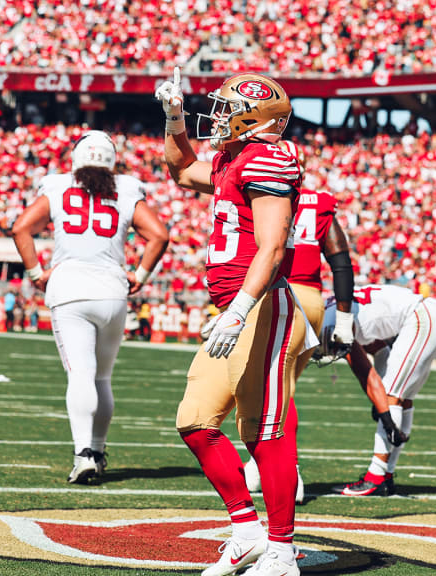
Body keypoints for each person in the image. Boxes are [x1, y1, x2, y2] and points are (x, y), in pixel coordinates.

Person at [157, 68, 311, 576]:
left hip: (261, 306)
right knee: (195, 421)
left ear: (255, 116)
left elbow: (272, 244)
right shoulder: (234, 157)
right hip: (232, 309)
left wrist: (242, 308)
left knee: (264, 431)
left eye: (227, 109)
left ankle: (283, 553)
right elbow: (182, 170)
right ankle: (247, 531)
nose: (217, 117)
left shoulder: (267, 156)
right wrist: (174, 118)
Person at [12, 130, 168, 485]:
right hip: (113, 290)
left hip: (70, 288)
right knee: (102, 377)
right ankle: (96, 451)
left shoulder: (56, 185)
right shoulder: (127, 189)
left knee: (81, 374)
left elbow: (21, 227)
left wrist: (37, 273)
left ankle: (83, 454)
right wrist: (141, 274)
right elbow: (159, 234)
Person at [243, 139, 356, 505]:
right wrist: (345, 317)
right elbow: (341, 261)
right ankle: (260, 463)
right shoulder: (318, 203)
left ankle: (285, 470)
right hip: (311, 300)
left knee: (277, 388)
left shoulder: (260, 192)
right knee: (278, 386)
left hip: (279, 293)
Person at [327, 285, 436, 497]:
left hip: (423, 317)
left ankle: (375, 477)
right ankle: (386, 474)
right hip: (434, 316)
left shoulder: (333, 323)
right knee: (403, 398)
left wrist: (381, 403)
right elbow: (380, 351)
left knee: (391, 397)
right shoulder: (334, 309)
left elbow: (363, 372)